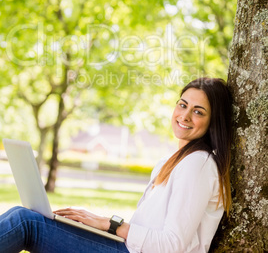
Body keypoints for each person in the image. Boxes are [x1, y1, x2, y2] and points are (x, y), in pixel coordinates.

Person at [0, 77, 233, 253]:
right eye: (182, 105)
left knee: (25, 222)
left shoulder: (199, 164)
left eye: (198, 111)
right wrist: (99, 226)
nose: (185, 116)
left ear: (214, 121)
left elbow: (172, 245)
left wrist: (110, 225)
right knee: (25, 216)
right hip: (125, 246)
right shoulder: (174, 161)